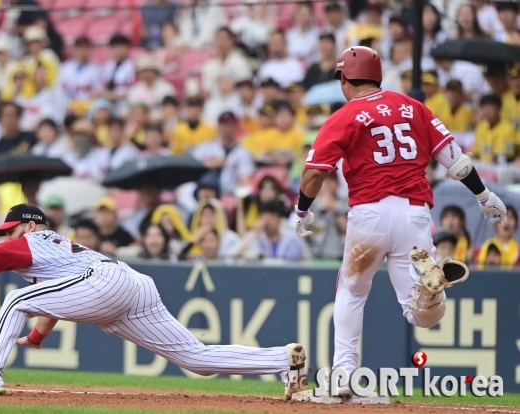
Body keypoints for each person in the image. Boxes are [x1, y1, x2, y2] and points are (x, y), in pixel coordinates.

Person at [0, 204, 309, 398]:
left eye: (9, 229)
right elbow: (58, 296)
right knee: (196, 359)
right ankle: (282, 359)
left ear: (28, 224)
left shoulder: (29, 243)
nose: (5, 237)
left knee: (14, 301)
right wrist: (37, 339)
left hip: (104, 282)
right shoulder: (53, 248)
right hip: (131, 285)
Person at [293, 46, 507, 399]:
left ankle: (345, 372)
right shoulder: (414, 107)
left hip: (369, 216)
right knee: (420, 314)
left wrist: (302, 210)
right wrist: (483, 195)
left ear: (346, 79)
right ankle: (430, 289)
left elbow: (314, 175)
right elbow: (454, 160)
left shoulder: (346, 115)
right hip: (414, 214)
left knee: (351, 290)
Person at [192, 111, 254, 195]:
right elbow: (191, 164)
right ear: (218, 126)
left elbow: (245, 181)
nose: (226, 128)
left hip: (230, 194)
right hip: (206, 192)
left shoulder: (242, 152)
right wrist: (210, 164)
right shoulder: (207, 147)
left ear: (235, 127)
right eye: (224, 124)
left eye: (230, 125)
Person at [472, 94, 515, 164]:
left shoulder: (508, 128)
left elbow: (506, 156)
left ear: (499, 109)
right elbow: (475, 152)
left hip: (499, 168)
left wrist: (493, 159)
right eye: (484, 108)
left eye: (490, 108)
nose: (487, 112)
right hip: (481, 167)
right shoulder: (481, 127)